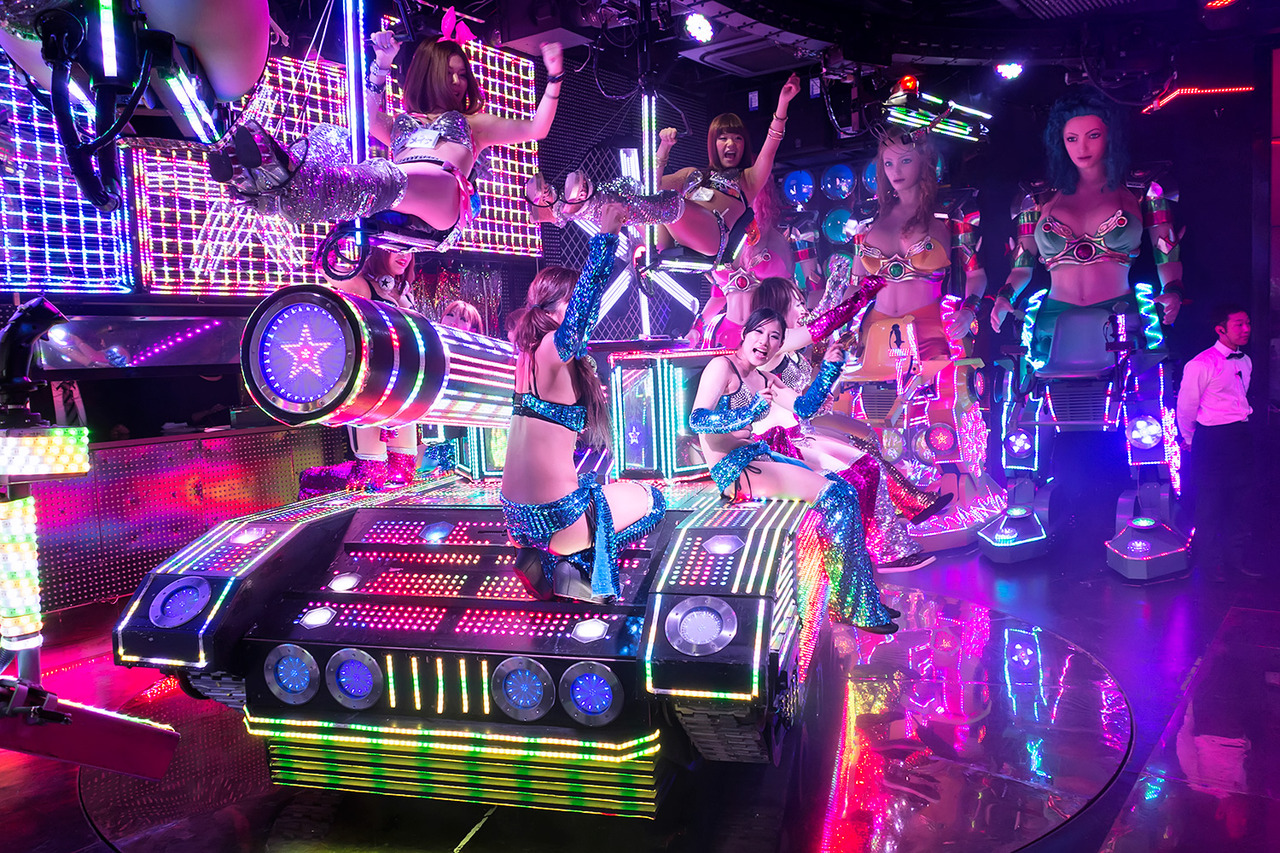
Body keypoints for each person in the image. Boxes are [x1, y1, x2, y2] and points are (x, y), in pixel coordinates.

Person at [213, 28, 565, 251]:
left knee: (385, 176)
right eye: (449, 74)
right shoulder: (401, 122)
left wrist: (554, 78)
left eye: (462, 75)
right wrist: (381, 65)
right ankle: (266, 179)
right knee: (335, 136)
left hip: (442, 197)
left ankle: (288, 186)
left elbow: (537, 129)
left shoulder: (475, 122)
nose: (458, 82)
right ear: (429, 75)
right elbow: (365, 119)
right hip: (397, 192)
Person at [689, 307, 899, 634]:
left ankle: (860, 597)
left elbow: (804, 408)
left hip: (756, 455)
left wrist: (830, 367)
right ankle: (852, 605)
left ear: (780, 345)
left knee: (844, 488)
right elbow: (698, 419)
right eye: (759, 332)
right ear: (744, 334)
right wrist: (750, 412)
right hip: (733, 469)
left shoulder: (764, 378)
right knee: (838, 496)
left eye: (774, 337)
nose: (765, 342)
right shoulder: (722, 367)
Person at [502, 203, 666, 604]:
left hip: (515, 519)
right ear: (563, 304)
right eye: (574, 301)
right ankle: (571, 569)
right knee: (652, 499)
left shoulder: (525, 355)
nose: (585, 312)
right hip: (558, 519)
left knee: (593, 487)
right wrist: (607, 237)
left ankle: (545, 559)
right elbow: (583, 312)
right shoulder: (551, 348)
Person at [749, 277, 950, 570]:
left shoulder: (788, 349)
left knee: (869, 462)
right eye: (797, 303)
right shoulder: (772, 341)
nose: (804, 309)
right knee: (858, 474)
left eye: (803, 302)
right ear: (778, 306)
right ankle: (883, 550)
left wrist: (821, 391)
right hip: (778, 445)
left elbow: (798, 397)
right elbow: (820, 326)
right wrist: (861, 296)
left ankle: (896, 538)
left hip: (799, 432)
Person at [990, 87, 1183, 357]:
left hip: (1119, 317)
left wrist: (1172, 290)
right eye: (1072, 138)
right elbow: (1022, 266)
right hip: (1053, 321)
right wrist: (1004, 297)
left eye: (1093, 135)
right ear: (1060, 141)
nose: (1082, 148)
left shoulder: (1145, 187)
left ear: (1110, 136)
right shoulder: (1035, 196)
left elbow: (1167, 254)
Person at [847, 129, 986, 363]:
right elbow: (855, 285)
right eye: (888, 163)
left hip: (929, 330)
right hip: (874, 332)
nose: (896, 171)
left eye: (905, 161)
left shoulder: (952, 210)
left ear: (924, 160)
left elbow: (976, 274)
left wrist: (968, 311)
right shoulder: (866, 217)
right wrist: (840, 325)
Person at [297, 247, 421, 498]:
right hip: (370, 389)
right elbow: (322, 263)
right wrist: (353, 235)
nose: (404, 256)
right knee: (371, 475)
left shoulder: (404, 292)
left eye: (409, 250)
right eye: (396, 249)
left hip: (403, 391)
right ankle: (312, 481)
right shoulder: (363, 286)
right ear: (378, 250)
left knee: (403, 472)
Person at [651, 80, 799, 264]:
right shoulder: (690, 174)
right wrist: (664, 147)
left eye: (737, 138)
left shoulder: (748, 178)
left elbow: (771, 146)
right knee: (636, 196)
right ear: (713, 144)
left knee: (667, 201)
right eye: (723, 138)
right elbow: (652, 186)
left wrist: (783, 102)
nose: (731, 144)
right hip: (672, 238)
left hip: (711, 236)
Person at [1176, 304, 1254, 579]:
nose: (1246, 329)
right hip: (1212, 439)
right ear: (1221, 329)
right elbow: (1186, 407)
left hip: (1240, 435)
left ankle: (1236, 562)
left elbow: (1239, 398)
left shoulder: (1245, 360)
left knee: (1240, 500)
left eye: (1247, 323)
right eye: (1239, 324)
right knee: (1210, 503)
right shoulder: (1201, 364)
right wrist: (1189, 438)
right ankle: (1212, 567)